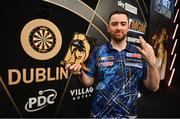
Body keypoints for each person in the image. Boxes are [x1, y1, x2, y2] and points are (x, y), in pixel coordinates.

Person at [65, 10, 160, 118]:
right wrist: (80, 72)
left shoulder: (140, 53)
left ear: (128, 27)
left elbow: (154, 87)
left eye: (123, 24)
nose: (119, 28)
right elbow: (88, 82)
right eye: (114, 24)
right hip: (100, 115)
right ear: (108, 28)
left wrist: (152, 63)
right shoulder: (97, 52)